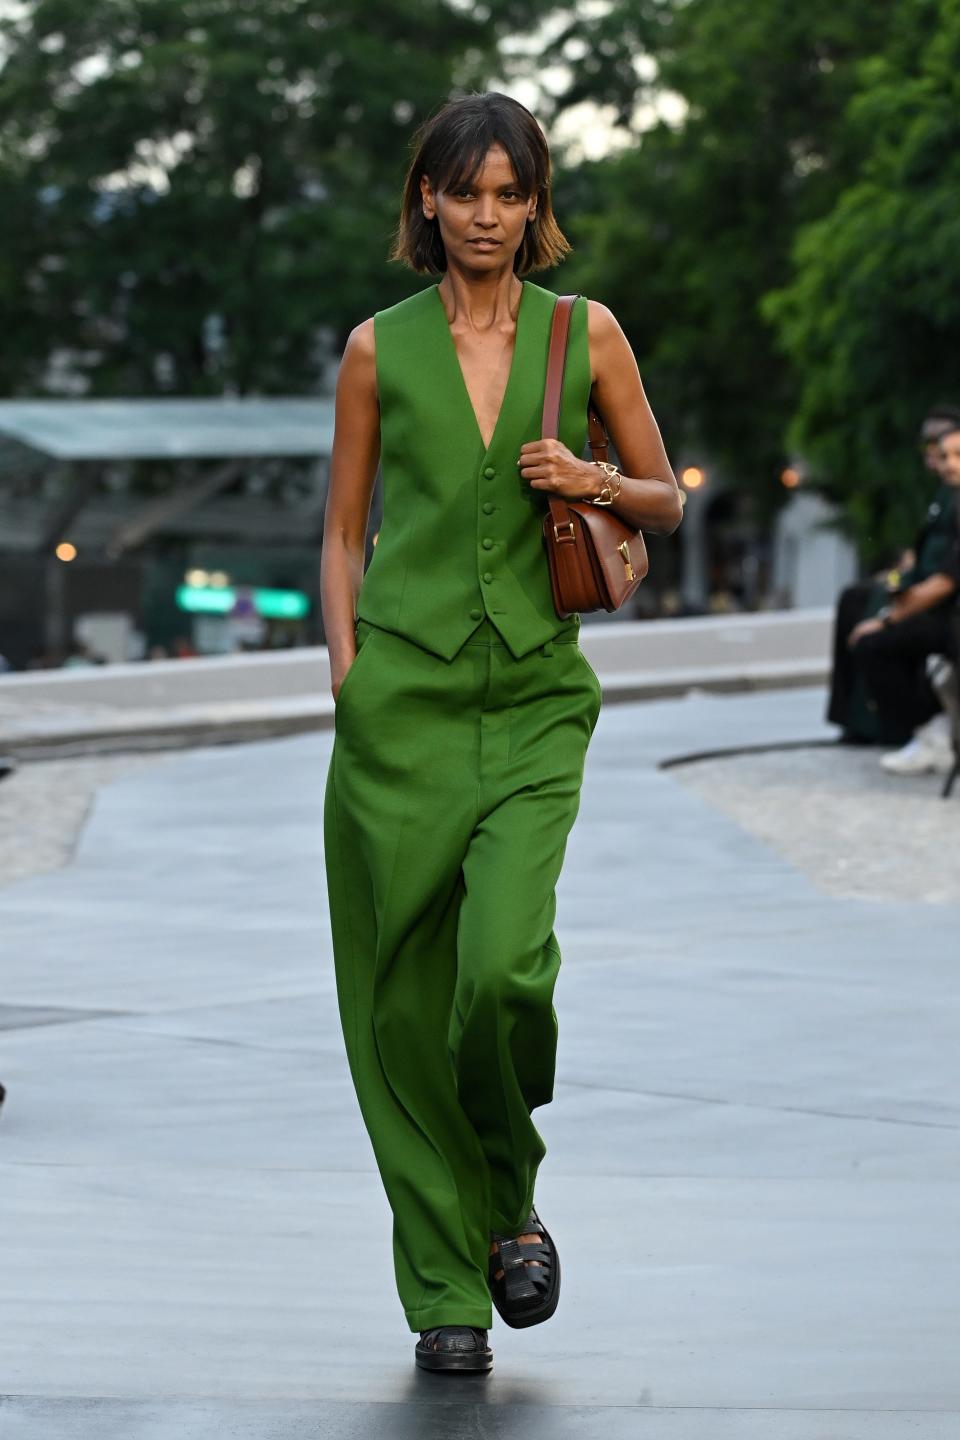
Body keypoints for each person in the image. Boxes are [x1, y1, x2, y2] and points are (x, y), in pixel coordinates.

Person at [320, 91, 682, 1374]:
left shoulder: (586, 338)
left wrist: (585, 477)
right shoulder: (378, 348)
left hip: (535, 702)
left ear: (537, 208)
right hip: (399, 714)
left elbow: (663, 496)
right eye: (463, 192)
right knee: (399, 1013)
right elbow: (342, 530)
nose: (486, 215)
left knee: (499, 977)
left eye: (509, 194)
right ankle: (448, 1290)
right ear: (426, 199)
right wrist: (350, 678)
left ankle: (508, 1199)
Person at [826, 404, 960, 741]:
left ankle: (919, 732)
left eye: (954, 453)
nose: (946, 463)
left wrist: (888, 618)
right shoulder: (946, 494)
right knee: (856, 600)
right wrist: (898, 582)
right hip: (936, 601)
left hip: (946, 612)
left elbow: (945, 582)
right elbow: (925, 553)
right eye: (942, 453)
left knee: (872, 639)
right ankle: (860, 722)